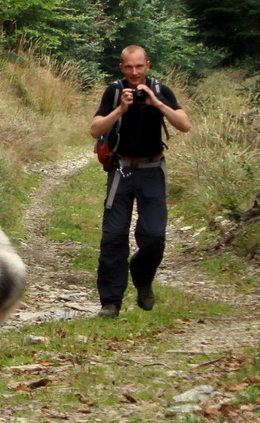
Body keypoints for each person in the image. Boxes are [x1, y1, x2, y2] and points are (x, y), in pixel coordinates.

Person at [90, 45, 190, 318]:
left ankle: (142, 278)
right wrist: (121, 109)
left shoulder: (160, 90)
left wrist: (156, 103)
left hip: (152, 169)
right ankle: (110, 302)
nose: (134, 73)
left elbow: (184, 125)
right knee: (113, 237)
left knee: (155, 236)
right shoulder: (113, 91)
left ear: (147, 65)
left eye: (139, 67)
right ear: (121, 68)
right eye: (128, 67)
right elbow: (95, 130)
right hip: (121, 170)